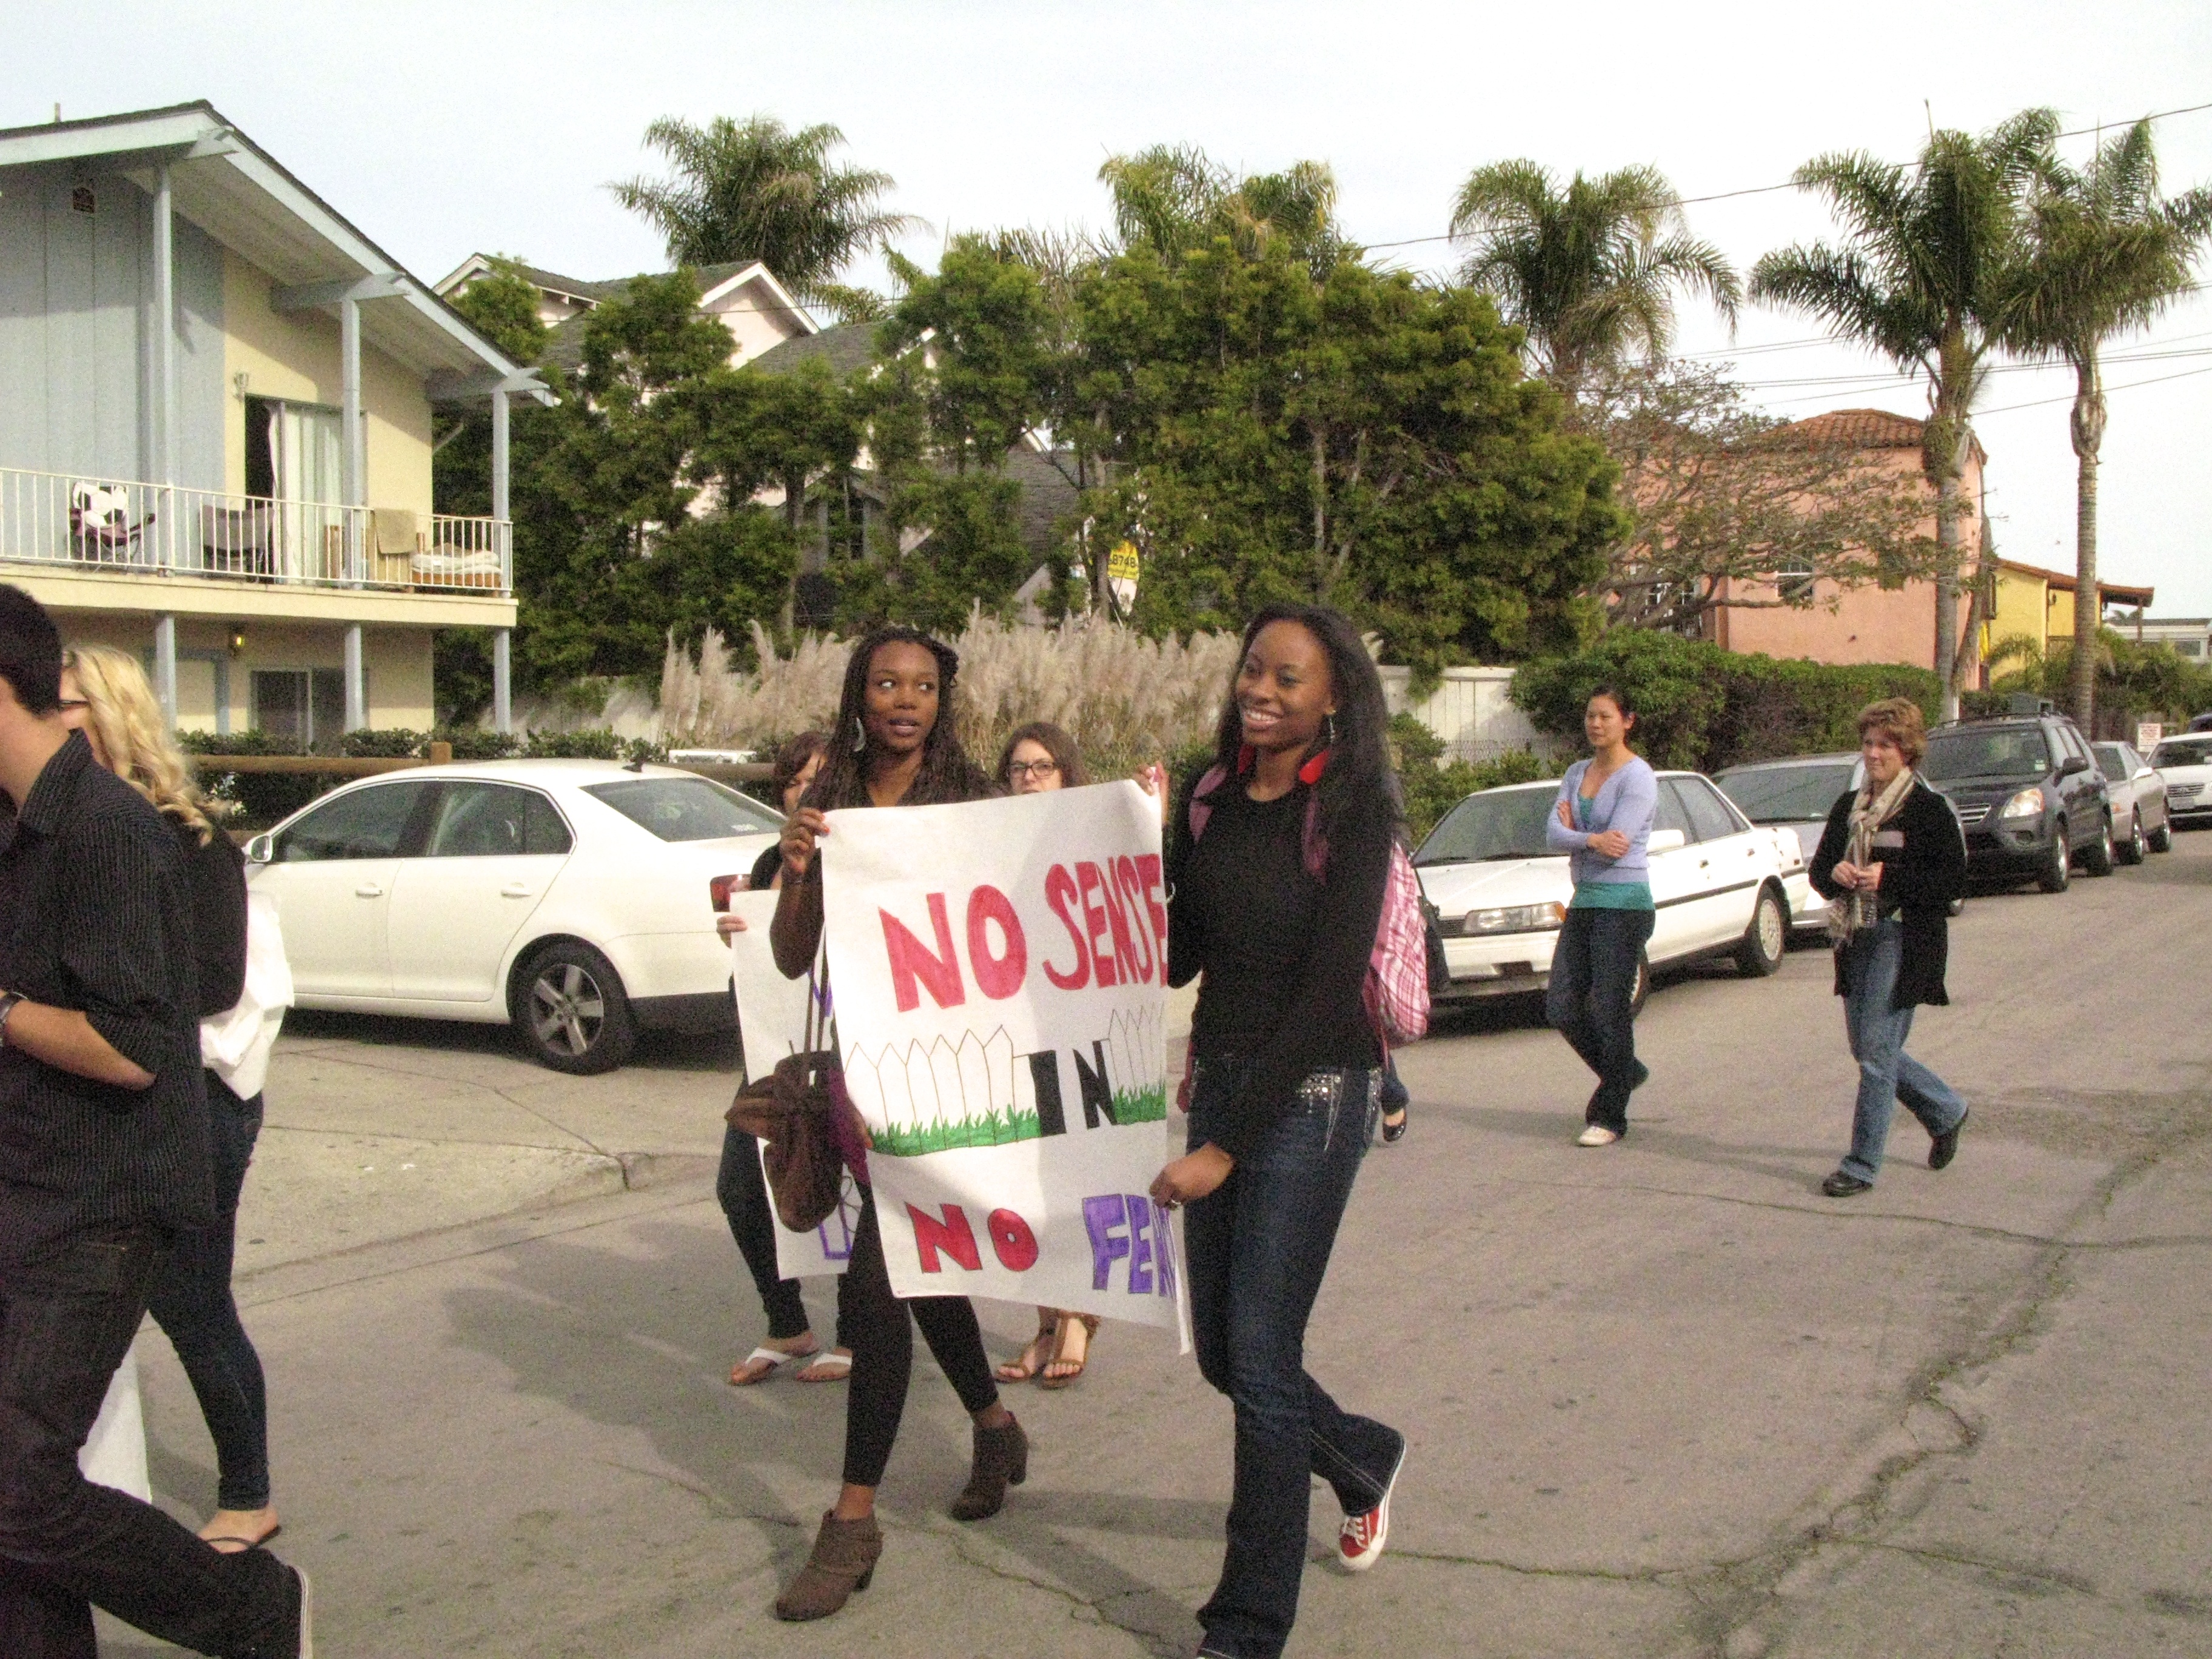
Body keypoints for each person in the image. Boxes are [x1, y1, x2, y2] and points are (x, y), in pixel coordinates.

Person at [0, 588, 309, 1657]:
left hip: (100, 1201)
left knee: (19, 1485)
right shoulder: (20, 829)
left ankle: (253, 1610)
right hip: (27, 1183)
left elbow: (137, 1045)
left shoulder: (113, 832)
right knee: (18, 1490)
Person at [1147, 602, 1408, 1659]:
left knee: (1259, 1357)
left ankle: (1247, 1624)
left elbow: (1329, 990)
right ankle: (1358, 1456)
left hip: (1315, 1091)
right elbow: (1177, 957)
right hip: (1222, 1078)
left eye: (1286, 677)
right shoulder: (1211, 794)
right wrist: (1143, 843)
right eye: (1253, 668)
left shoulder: (1354, 809)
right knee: (1222, 1353)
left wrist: (1224, 1149)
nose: (1259, 689)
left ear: (1332, 697)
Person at [766, 626, 1025, 1623]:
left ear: (940, 700)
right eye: (886, 683)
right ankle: (994, 1426)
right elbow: (794, 958)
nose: (905, 700)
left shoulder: (968, 801)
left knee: (878, 1289)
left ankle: (852, 1521)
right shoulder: (830, 803)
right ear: (859, 695)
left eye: (922, 685)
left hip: (950, 1087)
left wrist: (1132, 821)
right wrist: (798, 868)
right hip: (865, 1091)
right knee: (922, 1272)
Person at [58, 645, 282, 1555]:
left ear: (108, 712)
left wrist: (83, 1005)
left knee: (190, 1301)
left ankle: (248, 1497)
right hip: (110, 1099)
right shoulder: (57, 829)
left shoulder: (186, 838)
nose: (46, 717)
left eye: (64, 702)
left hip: (197, 1101)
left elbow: (217, 982)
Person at [714, 731, 852, 1387]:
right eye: (793, 783)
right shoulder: (771, 860)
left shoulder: (860, 855)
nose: (805, 792)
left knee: (852, 1194)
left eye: (817, 779)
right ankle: (786, 1322)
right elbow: (773, 961)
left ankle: (856, 1334)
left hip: (847, 1054)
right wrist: (737, 938)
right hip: (779, 1054)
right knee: (740, 1187)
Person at [1808, 698, 1969, 1197]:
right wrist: (1836, 874)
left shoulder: (1927, 810)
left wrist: (1889, 878)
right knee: (1868, 1048)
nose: (1874, 754)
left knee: (1876, 1054)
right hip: (1855, 937)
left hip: (1902, 940)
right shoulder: (1848, 808)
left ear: (1908, 752)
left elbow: (1953, 881)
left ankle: (1861, 1165)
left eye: (1886, 745)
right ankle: (1945, 1109)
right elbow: (1819, 873)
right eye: (1869, 743)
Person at [988, 722, 1104, 1391]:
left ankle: (1077, 1317)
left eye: (1043, 767)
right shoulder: (990, 843)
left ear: (1067, 774)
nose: (1029, 778)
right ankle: (1045, 1321)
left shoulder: (1092, 836)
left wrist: (1150, 818)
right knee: (1022, 1185)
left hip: (1077, 1035)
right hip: (1013, 1035)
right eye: (1018, 768)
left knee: (1070, 1179)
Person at [1544, 686, 1658, 1147]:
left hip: (1625, 904)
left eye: (1606, 716)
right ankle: (1624, 1071)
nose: (1595, 724)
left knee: (1608, 1007)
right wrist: (1589, 839)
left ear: (1627, 721)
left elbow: (1620, 845)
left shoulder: (1639, 777)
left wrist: (1578, 834)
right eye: (1590, 715)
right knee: (1561, 1006)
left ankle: (1610, 1116)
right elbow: (1552, 834)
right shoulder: (1576, 772)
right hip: (1586, 900)